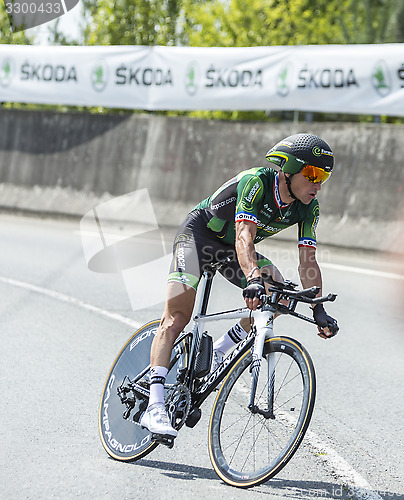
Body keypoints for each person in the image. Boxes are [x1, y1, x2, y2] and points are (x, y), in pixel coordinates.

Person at [140, 132, 339, 438]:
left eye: (323, 176)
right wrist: (253, 279)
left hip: (231, 250)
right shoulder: (257, 182)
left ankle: (221, 348)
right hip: (198, 238)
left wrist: (318, 307)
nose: (318, 183)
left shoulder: (308, 207)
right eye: (312, 173)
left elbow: (307, 262)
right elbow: (244, 235)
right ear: (289, 170)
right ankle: (154, 406)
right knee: (177, 316)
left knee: (283, 295)